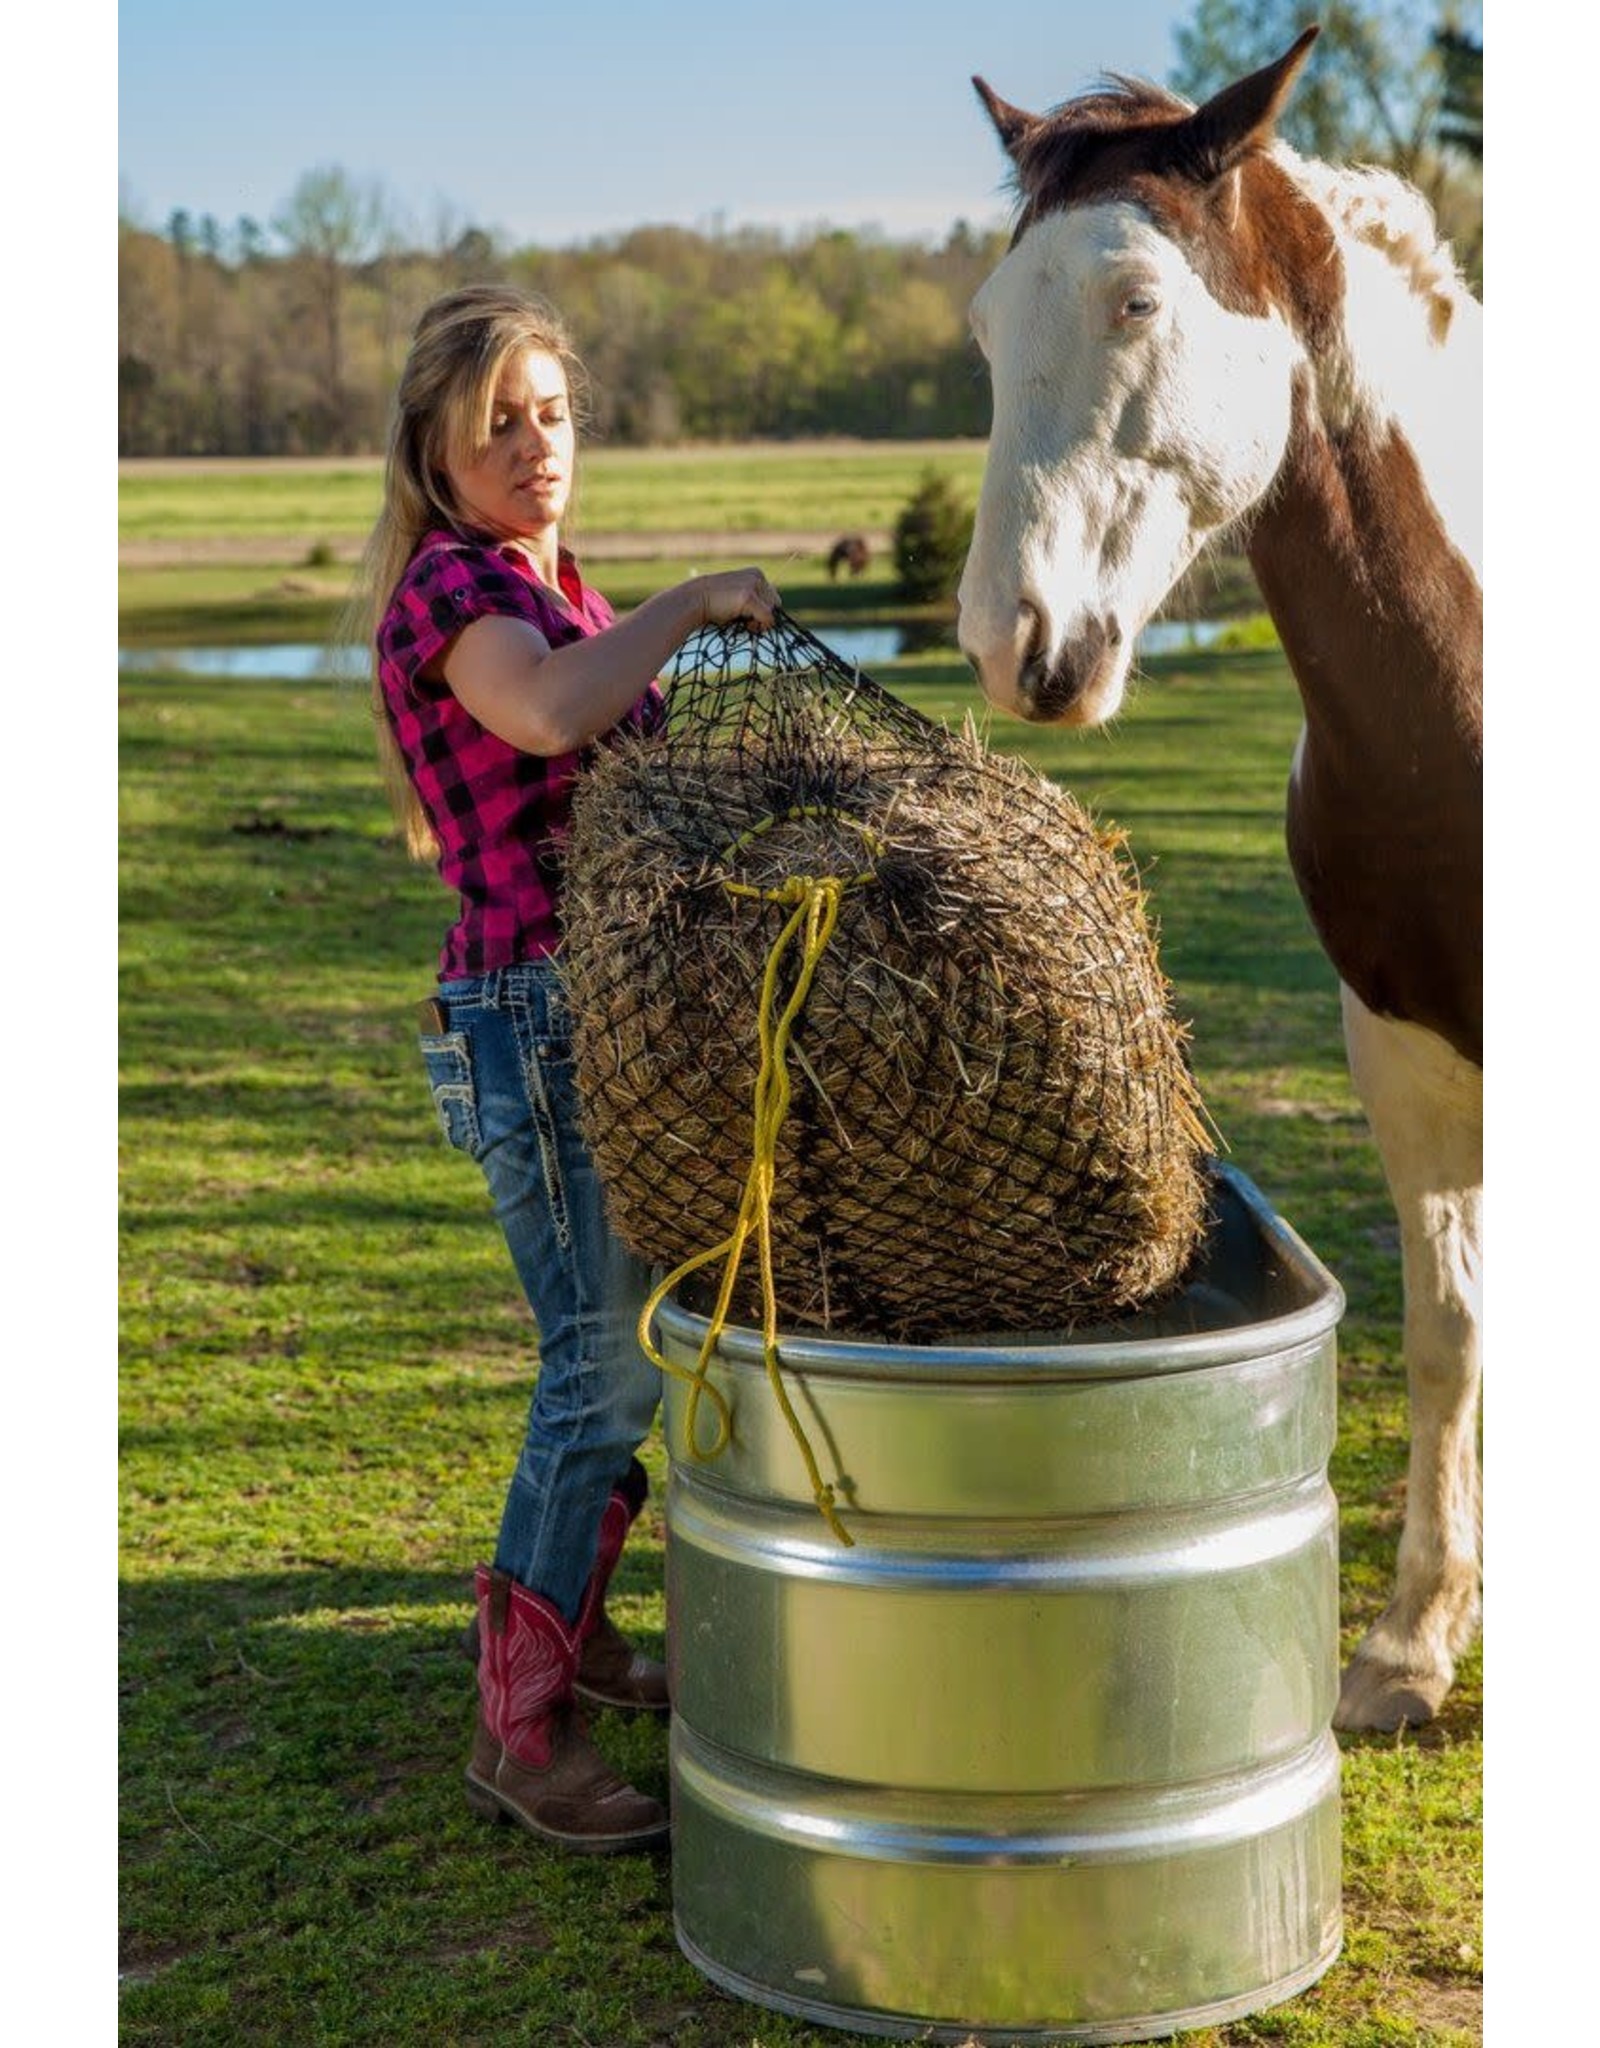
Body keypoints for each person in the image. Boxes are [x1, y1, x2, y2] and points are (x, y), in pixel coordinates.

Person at [357, 283, 780, 1854]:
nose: (539, 447)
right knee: (599, 1368)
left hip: (599, 1010)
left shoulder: (555, 582)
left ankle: (581, 1640)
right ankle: (518, 1732)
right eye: (501, 424)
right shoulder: (454, 594)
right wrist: (687, 605)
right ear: (437, 450)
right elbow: (543, 719)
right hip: (526, 1016)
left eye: (554, 414)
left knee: (615, 1355)